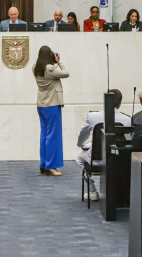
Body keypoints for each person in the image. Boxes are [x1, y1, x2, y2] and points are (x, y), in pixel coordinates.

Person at [76, 89, 132, 200]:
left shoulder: (92, 116)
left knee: (79, 156)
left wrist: (82, 144)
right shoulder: (127, 119)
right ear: (120, 103)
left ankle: (93, 190)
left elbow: (83, 134)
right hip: (117, 158)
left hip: (96, 157)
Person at [33, 45, 68, 176]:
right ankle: (52, 166)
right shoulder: (50, 69)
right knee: (53, 136)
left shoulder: (35, 67)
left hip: (41, 104)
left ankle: (43, 164)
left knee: (44, 134)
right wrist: (59, 62)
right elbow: (66, 73)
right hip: (52, 105)